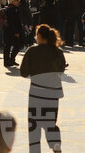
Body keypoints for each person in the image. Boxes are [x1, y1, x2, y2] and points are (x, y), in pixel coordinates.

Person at [20, 24, 67, 153]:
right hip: (53, 93)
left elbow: (23, 72)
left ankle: (35, 150)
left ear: (39, 36)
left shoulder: (32, 51)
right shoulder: (58, 52)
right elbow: (61, 70)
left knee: (34, 125)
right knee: (50, 122)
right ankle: (55, 143)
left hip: (36, 92)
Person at [2, 0, 24, 67]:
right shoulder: (12, 10)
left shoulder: (12, 9)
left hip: (8, 31)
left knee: (8, 46)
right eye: (16, 0)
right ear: (12, 1)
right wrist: (16, 32)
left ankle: (10, 60)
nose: (18, 2)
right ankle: (9, 60)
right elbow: (13, 22)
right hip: (12, 31)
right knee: (15, 46)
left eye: (18, 0)